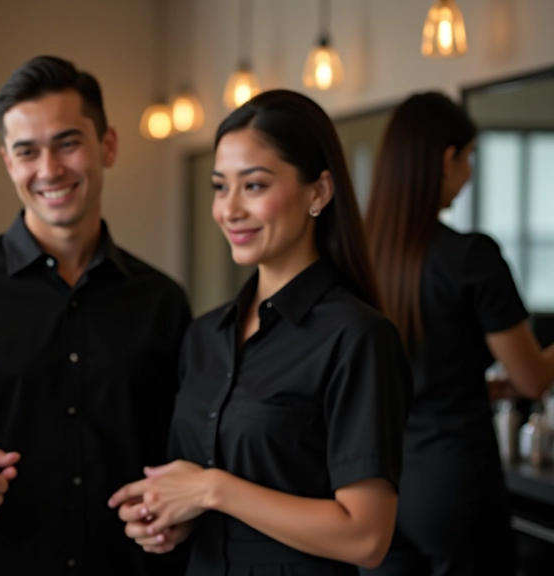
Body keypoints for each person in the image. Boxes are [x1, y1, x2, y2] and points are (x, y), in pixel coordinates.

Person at [0, 55, 192, 575]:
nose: (49, 169)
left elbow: (177, 458)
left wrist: (177, 517)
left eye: (68, 143)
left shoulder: (162, 301)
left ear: (107, 145)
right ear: (8, 162)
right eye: (27, 151)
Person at [109, 89, 411, 575]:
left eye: (253, 186)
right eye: (219, 186)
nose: (229, 210)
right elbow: (198, 497)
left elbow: (366, 536)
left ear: (319, 192)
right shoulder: (204, 336)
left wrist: (214, 488)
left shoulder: (358, 338)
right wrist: (171, 519)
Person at [362, 92, 554, 576]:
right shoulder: (469, 256)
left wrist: (477, 385)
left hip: (376, 485)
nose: (468, 176)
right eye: (468, 158)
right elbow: (532, 381)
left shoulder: (360, 263)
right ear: (447, 158)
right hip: (454, 485)